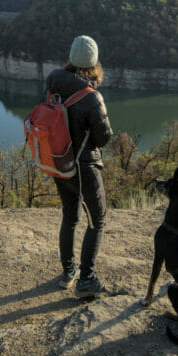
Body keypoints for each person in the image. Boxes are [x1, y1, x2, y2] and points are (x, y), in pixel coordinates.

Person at [46, 35, 113, 299]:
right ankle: (86, 280)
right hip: (84, 166)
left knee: (70, 215)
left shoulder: (53, 83)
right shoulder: (91, 97)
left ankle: (68, 272)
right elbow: (103, 138)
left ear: (72, 58)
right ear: (94, 62)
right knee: (97, 220)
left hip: (58, 160)